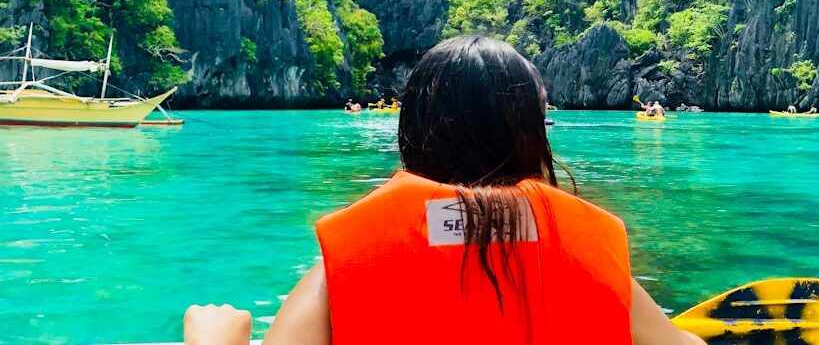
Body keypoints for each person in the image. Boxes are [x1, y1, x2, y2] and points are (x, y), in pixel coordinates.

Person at [183, 36, 705, 345]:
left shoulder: (351, 263)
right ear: (531, 133)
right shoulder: (586, 252)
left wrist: (214, 340)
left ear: (411, 130)